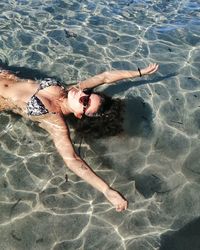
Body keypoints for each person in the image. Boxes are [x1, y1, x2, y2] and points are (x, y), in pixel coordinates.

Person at [0, 63, 158, 212]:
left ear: (79, 114)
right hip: (5, 74)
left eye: (84, 100)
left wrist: (106, 190)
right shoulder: (69, 91)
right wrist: (139, 72)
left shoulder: (54, 121)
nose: (82, 92)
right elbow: (104, 77)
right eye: (88, 93)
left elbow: (72, 159)